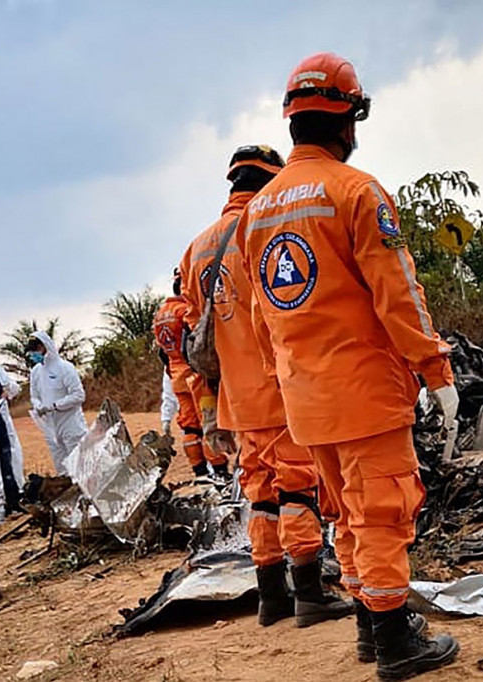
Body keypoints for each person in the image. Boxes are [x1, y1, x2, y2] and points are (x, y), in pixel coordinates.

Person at [235, 52, 459, 681]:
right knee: (383, 511)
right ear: (348, 119)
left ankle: (368, 623)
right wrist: (436, 371)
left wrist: (288, 384)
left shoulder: (258, 213)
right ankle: (393, 640)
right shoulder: (355, 192)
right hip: (365, 393)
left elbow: (261, 319)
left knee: (343, 513)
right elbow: (398, 295)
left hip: (305, 405)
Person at [180, 144, 355, 629]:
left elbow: (195, 337)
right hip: (280, 392)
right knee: (297, 489)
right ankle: (310, 594)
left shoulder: (198, 249)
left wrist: (210, 406)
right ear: (271, 178)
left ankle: (271, 597)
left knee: (259, 493)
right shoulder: (267, 227)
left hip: (236, 400)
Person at [152, 276, 229, 478]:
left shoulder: (160, 315)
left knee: (190, 428)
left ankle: (200, 472)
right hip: (195, 377)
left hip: (176, 378)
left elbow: (162, 353)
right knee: (208, 421)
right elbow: (197, 341)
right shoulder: (184, 311)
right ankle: (220, 471)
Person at [26, 331, 87, 474]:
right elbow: (34, 396)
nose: (34, 354)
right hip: (50, 427)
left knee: (79, 466)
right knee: (61, 468)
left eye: (37, 349)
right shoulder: (35, 372)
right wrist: (38, 406)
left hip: (71, 424)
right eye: (32, 351)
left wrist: (55, 406)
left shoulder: (65, 368)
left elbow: (78, 395)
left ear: (46, 346)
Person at [0, 363, 24, 521]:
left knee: (9, 459)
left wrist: (5, 390)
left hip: (0, 419)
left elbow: (14, 388)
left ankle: (15, 499)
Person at [160, 368, 177, 438]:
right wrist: (166, 419)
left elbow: (169, 395)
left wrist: (166, 419)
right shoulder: (171, 364)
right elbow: (169, 394)